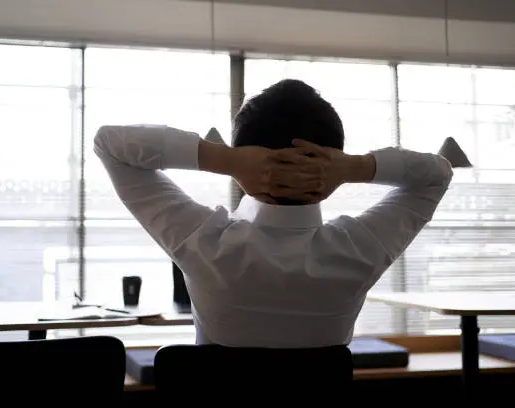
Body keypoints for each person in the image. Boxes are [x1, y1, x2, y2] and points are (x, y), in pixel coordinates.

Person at [93, 79, 453, 348]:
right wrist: (354, 168)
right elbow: (437, 175)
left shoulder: (203, 241)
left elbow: (108, 144)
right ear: (333, 159)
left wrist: (226, 160)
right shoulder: (361, 249)